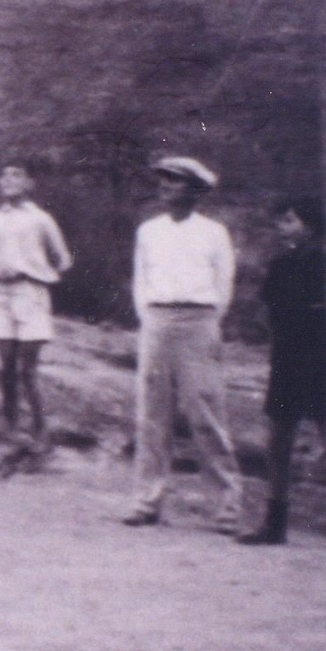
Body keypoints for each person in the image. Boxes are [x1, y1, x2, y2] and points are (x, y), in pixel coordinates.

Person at [122, 157, 241, 532]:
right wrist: (150, 316)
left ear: (194, 190)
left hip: (198, 320)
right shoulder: (148, 231)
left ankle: (227, 506)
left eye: (175, 182)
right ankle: (147, 500)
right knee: (152, 415)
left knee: (204, 411)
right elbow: (140, 280)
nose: (166, 187)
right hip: (157, 320)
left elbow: (224, 286)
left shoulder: (214, 232)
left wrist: (205, 322)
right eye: (163, 181)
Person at [236, 198, 326, 546]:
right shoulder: (280, 265)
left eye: (289, 221)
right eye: (281, 221)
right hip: (288, 359)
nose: (282, 227)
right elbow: (267, 312)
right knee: (277, 442)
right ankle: (275, 522)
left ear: (310, 225)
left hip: (323, 360)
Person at [0, 162, 73, 475]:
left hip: (30, 293)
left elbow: (63, 259)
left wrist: (40, 275)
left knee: (27, 367)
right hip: (0, 294)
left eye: (17, 175)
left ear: (29, 182)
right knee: (6, 364)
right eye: (4, 175)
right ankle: (11, 435)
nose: (9, 180)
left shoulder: (40, 219)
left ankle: (41, 433)